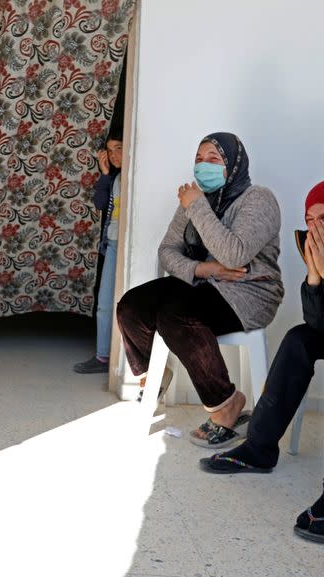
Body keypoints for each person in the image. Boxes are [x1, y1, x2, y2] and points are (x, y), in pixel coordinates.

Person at [200, 177, 324, 544]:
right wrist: (315, 280)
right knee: (299, 339)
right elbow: (320, 324)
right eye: (311, 219)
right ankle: (259, 448)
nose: (317, 229)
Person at [116, 132, 283, 447]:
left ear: (233, 165)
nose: (202, 166)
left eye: (213, 159)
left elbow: (235, 254)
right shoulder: (194, 201)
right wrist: (203, 269)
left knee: (174, 316)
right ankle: (153, 374)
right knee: (131, 305)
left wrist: (198, 207)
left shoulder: (258, 199)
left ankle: (226, 404)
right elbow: (167, 251)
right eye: (198, 159)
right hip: (204, 284)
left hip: (249, 293)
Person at [74, 129, 123, 374]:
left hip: (125, 244)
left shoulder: (135, 176)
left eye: (119, 148)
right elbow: (100, 204)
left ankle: (121, 359)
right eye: (110, 150)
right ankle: (103, 356)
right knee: (104, 303)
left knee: (122, 305)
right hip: (113, 245)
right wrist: (105, 174)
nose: (114, 155)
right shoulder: (115, 179)